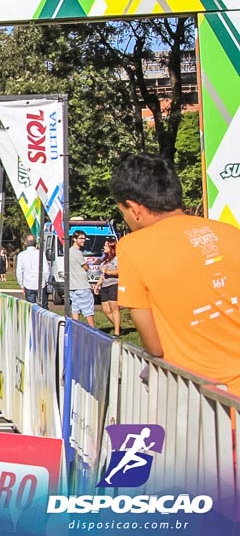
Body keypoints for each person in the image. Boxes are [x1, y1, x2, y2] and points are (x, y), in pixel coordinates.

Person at [112, 153, 240, 395]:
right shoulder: (231, 232)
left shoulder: (133, 247)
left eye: (124, 213)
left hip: (208, 402)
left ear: (135, 208)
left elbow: (154, 345)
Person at [68, 230, 96, 327]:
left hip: (72, 286)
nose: (83, 240)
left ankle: (76, 329)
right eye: (80, 238)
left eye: (84, 238)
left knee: (75, 310)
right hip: (82, 286)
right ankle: (93, 330)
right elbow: (86, 267)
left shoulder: (68, 252)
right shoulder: (77, 252)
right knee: (88, 310)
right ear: (74, 239)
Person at [96, 240, 121, 338]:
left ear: (111, 248)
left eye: (106, 245)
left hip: (114, 284)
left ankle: (117, 332)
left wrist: (107, 271)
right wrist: (98, 284)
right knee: (106, 309)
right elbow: (103, 275)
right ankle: (117, 325)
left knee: (114, 308)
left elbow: (119, 271)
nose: (104, 247)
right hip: (104, 285)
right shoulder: (105, 259)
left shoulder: (116, 258)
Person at [15, 234, 49, 305]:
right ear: (35, 243)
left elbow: (19, 272)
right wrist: (46, 281)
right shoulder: (41, 253)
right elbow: (46, 270)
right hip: (41, 284)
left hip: (28, 284)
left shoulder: (21, 255)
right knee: (43, 309)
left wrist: (21, 285)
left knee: (31, 308)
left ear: (25, 243)